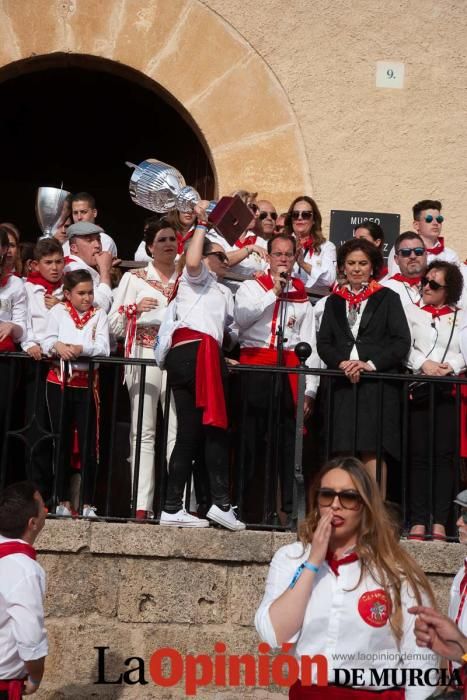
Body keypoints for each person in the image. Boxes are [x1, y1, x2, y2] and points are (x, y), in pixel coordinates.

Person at [255, 456, 437, 699]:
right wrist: (313, 563)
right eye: (327, 495)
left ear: (365, 505)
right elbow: (273, 634)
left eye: (349, 497)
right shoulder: (291, 558)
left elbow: (421, 660)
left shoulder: (396, 570)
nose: (335, 505)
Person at [160, 203, 245, 531]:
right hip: (196, 355)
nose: (223, 261)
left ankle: (171, 507)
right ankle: (221, 505)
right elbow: (192, 260)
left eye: (225, 258)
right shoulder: (195, 277)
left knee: (190, 434)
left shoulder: (223, 292)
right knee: (214, 431)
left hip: (195, 356)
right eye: (218, 256)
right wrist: (202, 225)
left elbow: (227, 334)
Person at [234, 234, 319, 521]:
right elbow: (242, 319)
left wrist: (310, 391)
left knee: (286, 443)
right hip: (256, 367)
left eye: (288, 254)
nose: (283, 259)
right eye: (278, 254)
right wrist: (274, 292)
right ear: (268, 257)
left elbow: (310, 343)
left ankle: (289, 512)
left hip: (289, 369)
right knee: (251, 441)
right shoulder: (250, 287)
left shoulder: (302, 296)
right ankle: (247, 507)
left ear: (295, 258)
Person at [317, 238, 410, 494]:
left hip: (376, 384)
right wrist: (342, 362)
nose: (356, 268)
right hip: (342, 384)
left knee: (374, 451)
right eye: (351, 263)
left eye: (362, 263)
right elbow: (324, 342)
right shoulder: (333, 302)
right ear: (343, 268)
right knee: (343, 451)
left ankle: (375, 519)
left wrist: (368, 364)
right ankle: (345, 510)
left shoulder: (388, 298)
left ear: (372, 267)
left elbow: (401, 340)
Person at [109, 218, 179, 519]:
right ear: (150, 247)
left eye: (172, 239)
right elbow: (112, 325)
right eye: (162, 240)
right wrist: (133, 310)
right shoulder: (134, 279)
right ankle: (141, 505)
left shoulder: (187, 277)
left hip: (178, 359)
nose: (168, 245)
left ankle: (178, 504)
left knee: (178, 431)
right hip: (145, 354)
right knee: (143, 431)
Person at [42, 269, 110, 518]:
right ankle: (60, 499)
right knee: (60, 441)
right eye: (81, 293)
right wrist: (58, 345)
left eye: (90, 292)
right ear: (68, 294)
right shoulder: (58, 311)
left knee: (89, 444)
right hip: (59, 382)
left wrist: (81, 348)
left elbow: (104, 348)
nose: (87, 297)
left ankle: (88, 503)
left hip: (87, 385)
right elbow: (46, 340)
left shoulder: (99, 314)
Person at [405, 261, 465, 541]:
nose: (426, 287)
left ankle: (440, 521)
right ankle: (418, 520)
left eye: (434, 284)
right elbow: (405, 347)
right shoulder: (412, 313)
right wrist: (423, 363)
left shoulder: (462, 317)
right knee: (418, 457)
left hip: (448, 393)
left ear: (449, 289)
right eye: (425, 282)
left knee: (444, 458)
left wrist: (450, 366)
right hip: (419, 390)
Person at [21, 238, 65, 502]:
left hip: (60, 364)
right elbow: (23, 320)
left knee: (58, 430)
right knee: (36, 429)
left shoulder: (67, 291)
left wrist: (60, 305)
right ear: (35, 265)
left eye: (59, 261)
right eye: (48, 263)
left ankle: (56, 496)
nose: (55, 268)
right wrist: (28, 343)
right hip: (36, 364)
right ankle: (35, 493)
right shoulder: (27, 289)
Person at [0, 481, 48, 697]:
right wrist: (36, 676)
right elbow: (30, 637)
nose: (46, 511)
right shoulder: (25, 570)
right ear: (33, 523)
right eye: (43, 509)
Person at [284, 195, 336, 301]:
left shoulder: (327, 246)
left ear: (314, 220)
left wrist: (303, 264)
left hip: (314, 303)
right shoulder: (281, 243)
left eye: (306, 215)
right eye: (295, 214)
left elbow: (329, 280)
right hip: (286, 301)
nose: (300, 218)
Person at [388, 200, 459, 275]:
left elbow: (456, 284)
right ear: (416, 225)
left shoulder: (450, 255)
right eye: (429, 219)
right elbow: (396, 278)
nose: (435, 223)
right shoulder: (403, 249)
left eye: (439, 219)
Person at [63, 221, 113, 312]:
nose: (97, 245)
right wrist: (104, 270)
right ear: (74, 248)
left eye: (98, 239)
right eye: (89, 240)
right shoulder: (74, 268)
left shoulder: (84, 265)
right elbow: (101, 306)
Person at [381, 232, 427, 310]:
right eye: (406, 252)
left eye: (418, 251)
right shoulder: (385, 290)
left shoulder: (438, 285)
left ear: (426, 255)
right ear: (396, 259)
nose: (413, 256)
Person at [64, 191, 117, 257]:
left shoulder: (105, 241)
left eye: (83, 212)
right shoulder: (66, 244)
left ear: (94, 213)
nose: (79, 217)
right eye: (75, 213)